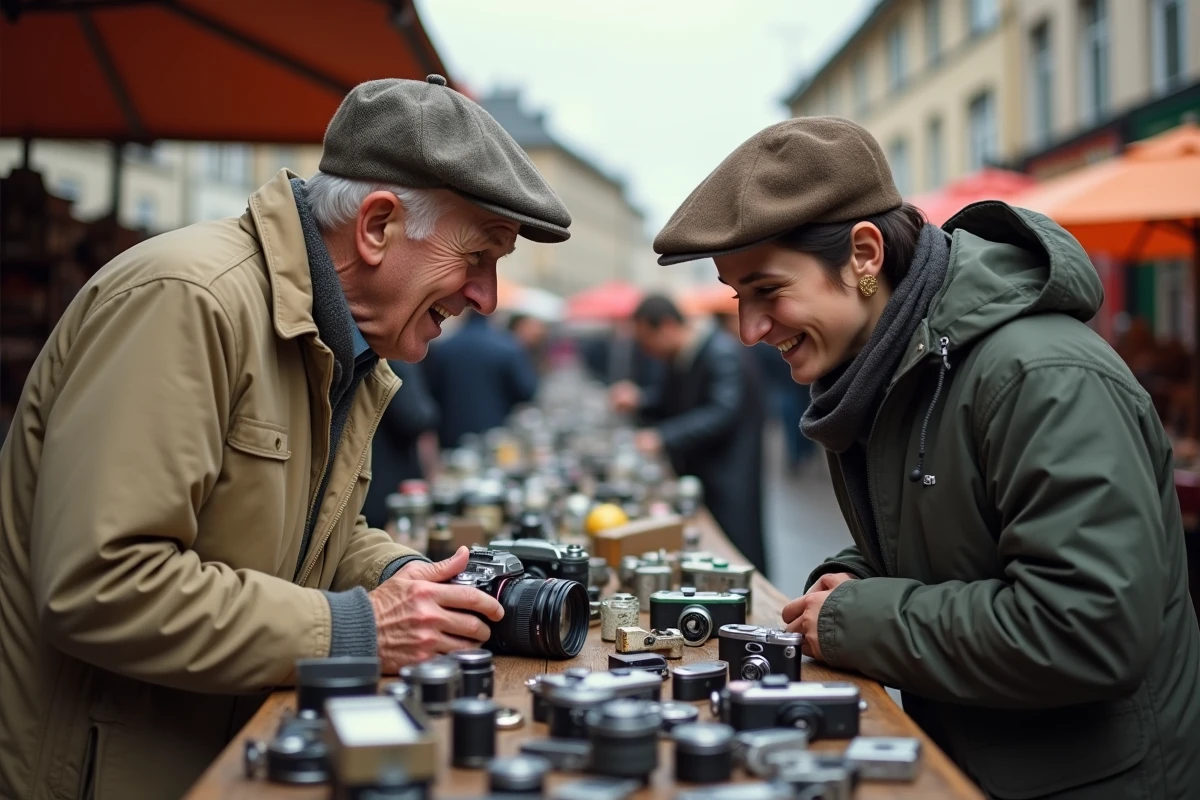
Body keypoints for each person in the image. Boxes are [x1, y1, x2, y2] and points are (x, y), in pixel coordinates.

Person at [0, 76, 572, 800]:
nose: (486, 297)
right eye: (478, 257)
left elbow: (306, 533)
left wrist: (405, 578)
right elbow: (100, 584)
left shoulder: (342, 339)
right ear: (377, 226)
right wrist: (357, 628)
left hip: (212, 749)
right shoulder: (187, 301)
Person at [652, 116, 1200, 798]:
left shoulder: (1040, 376)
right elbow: (953, 549)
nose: (750, 329)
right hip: (979, 764)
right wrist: (847, 578)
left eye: (768, 290)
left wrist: (858, 618)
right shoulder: (893, 366)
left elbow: (1087, 630)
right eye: (739, 298)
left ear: (863, 254)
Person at [610, 295, 767, 574]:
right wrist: (640, 400)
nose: (647, 351)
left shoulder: (721, 351)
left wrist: (662, 437)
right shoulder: (683, 354)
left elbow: (721, 412)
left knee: (737, 550)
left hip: (728, 475)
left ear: (668, 326)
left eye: (647, 341)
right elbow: (671, 401)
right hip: (705, 470)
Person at [424, 310, 539, 448]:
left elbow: (432, 390)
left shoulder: (443, 348)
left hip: (452, 435)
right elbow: (526, 391)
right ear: (491, 316)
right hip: (496, 432)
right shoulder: (507, 346)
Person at [361, 359, 440, 529]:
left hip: (370, 472)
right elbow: (414, 418)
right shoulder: (395, 360)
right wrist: (430, 412)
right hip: (389, 477)